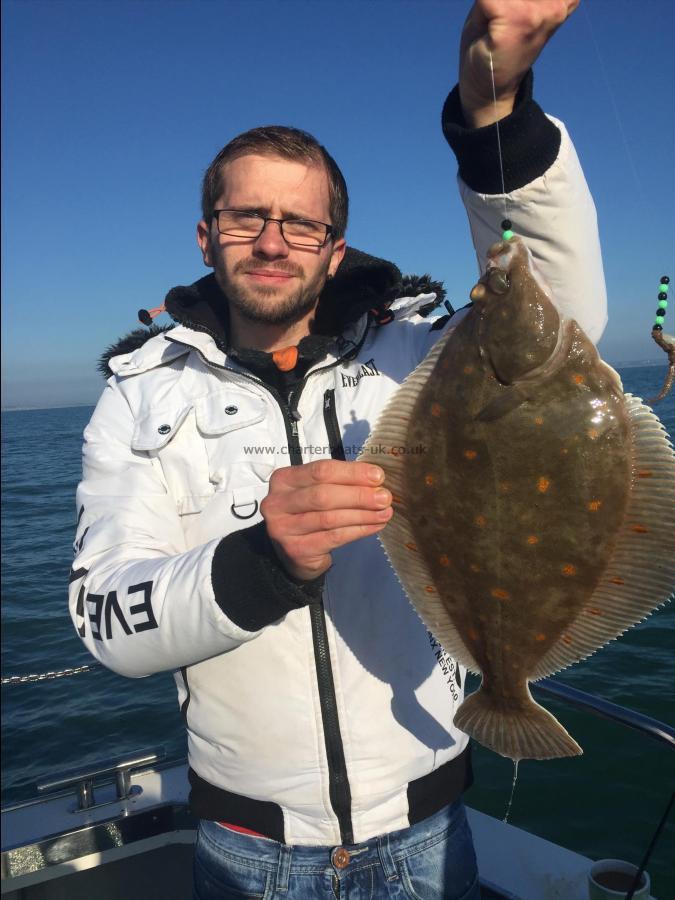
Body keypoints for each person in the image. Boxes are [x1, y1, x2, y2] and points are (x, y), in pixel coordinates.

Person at [69, 1, 606, 896]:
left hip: (428, 826)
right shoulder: (138, 396)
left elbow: (561, 314)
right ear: (206, 234)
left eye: (300, 223)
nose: (272, 240)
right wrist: (259, 563)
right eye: (245, 218)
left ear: (332, 247)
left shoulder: (428, 356)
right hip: (248, 845)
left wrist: (493, 114)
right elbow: (104, 621)